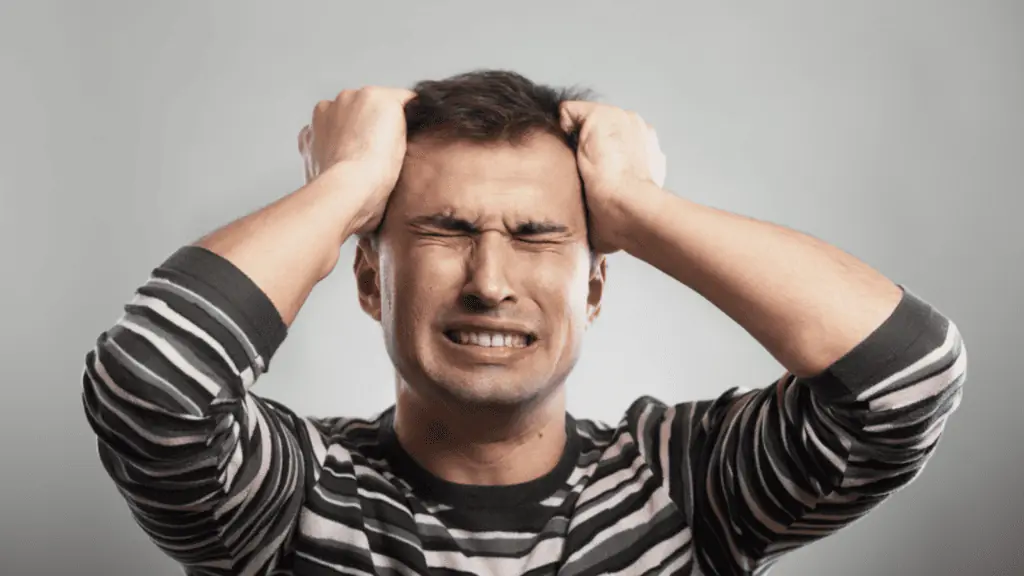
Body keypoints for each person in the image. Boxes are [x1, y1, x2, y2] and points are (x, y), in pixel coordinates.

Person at [82, 70, 966, 576]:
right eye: (447, 231)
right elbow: (151, 386)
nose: (490, 283)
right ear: (366, 279)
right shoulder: (291, 497)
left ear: (594, 290)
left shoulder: (689, 487)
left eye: (540, 237)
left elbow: (906, 379)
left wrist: (636, 204)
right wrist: (346, 186)